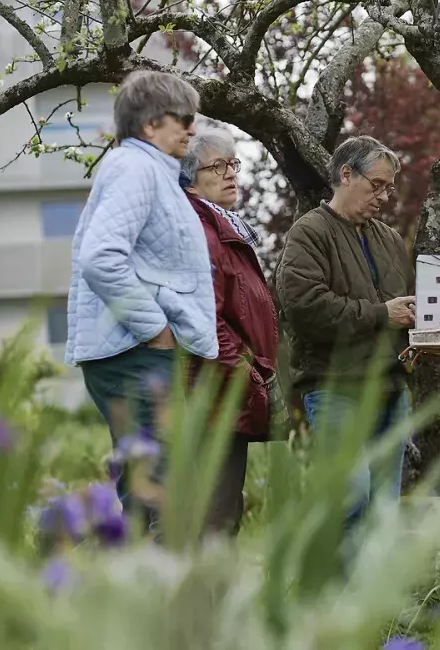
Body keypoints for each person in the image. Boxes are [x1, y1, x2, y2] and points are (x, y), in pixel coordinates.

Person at [66, 71, 217, 520]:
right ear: (150, 124)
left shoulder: (153, 172)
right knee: (164, 506)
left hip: (139, 355)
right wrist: (156, 328)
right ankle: (149, 589)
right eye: (184, 118)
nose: (193, 128)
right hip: (134, 354)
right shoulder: (136, 167)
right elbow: (100, 257)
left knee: (164, 497)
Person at [275, 135, 415, 558]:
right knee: (349, 498)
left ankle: (374, 616)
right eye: (377, 185)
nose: (384, 196)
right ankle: (327, 603)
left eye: (389, 188)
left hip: (390, 390)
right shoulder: (309, 233)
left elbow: (403, 306)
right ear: (345, 174)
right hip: (335, 387)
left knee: (384, 509)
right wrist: (380, 315)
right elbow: (303, 306)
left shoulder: (390, 240)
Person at [179, 125, 284, 536]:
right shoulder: (201, 229)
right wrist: (246, 372)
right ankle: (207, 600)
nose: (230, 174)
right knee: (216, 515)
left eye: (232, 164)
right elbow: (204, 316)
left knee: (223, 510)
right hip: (211, 391)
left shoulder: (223, 226)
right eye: (217, 166)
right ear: (190, 176)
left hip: (224, 389)